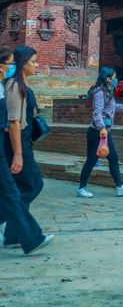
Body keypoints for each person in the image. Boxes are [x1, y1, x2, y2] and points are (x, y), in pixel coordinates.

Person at [2, 46, 54, 252]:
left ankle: (15, 234)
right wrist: (18, 153)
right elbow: (13, 123)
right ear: (22, 64)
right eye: (33, 61)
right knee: (34, 184)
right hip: (16, 142)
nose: (36, 65)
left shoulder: (21, 85)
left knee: (20, 188)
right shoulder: (14, 85)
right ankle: (16, 224)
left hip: (23, 141)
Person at [77, 66, 123, 198]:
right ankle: (82, 188)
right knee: (92, 160)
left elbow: (113, 108)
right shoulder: (99, 93)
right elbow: (97, 113)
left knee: (113, 158)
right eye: (114, 78)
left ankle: (120, 187)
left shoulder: (108, 92)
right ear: (108, 79)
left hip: (104, 132)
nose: (116, 80)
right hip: (97, 132)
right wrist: (102, 127)